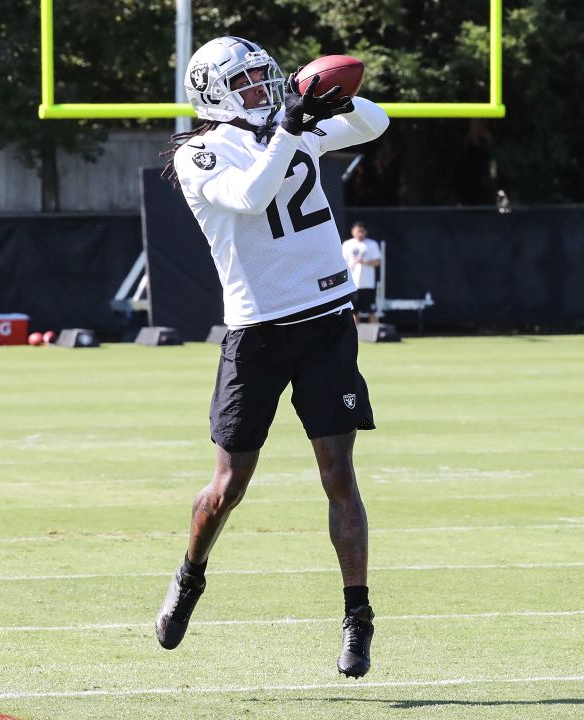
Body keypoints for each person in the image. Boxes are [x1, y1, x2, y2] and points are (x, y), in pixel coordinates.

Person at [155, 36, 389, 678]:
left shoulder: (294, 126)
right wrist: (290, 125)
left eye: (268, 77)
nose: (266, 88)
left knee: (339, 476)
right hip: (257, 330)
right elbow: (252, 197)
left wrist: (326, 99)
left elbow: (376, 123)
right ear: (216, 92)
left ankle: (357, 615)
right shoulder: (199, 152)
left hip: (326, 322)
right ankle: (191, 572)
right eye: (252, 81)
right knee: (229, 487)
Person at [341, 222, 382, 323]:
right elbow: (342, 262)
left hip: (367, 285)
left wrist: (363, 261)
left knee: (371, 310)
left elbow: (378, 262)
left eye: (362, 231)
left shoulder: (371, 244)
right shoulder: (347, 245)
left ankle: (377, 334)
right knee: (354, 312)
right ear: (353, 232)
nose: (360, 234)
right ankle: (355, 336)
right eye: (358, 231)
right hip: (352, 285)